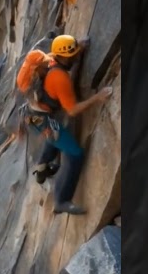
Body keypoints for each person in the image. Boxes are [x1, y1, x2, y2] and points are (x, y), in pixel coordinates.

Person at [19, 33, 113, 215]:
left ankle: (42, 167)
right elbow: (73, 110)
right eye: (73, 55)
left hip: (33, 114)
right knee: (74, 153)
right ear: (63, 57)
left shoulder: (49, 60)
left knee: (56, 136)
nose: (76, 56)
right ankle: (61, 200)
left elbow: (66, 50)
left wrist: (78, 45)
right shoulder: (58, 78)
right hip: (42, 121)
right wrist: (97, 97)